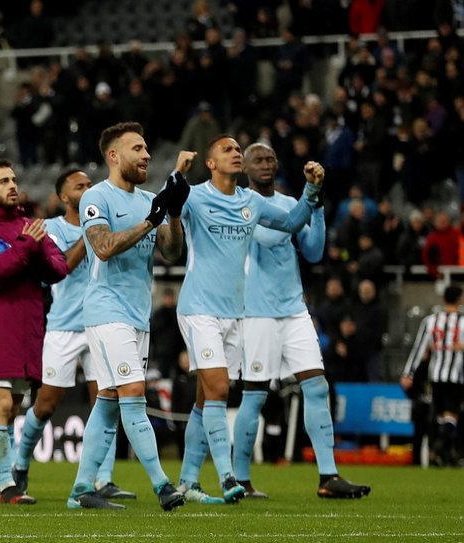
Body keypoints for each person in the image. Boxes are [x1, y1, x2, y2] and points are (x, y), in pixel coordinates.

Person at [175, 135, 322, 505]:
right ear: (210, 163)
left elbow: (290, 222)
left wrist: (311, 191)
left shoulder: (250, 201)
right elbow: (167, 211)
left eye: (238, 150)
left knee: (203, 399)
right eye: (227, 150)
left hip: (234, 313)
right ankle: (227, 477)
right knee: (221, 389)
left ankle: (188, 481)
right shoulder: (194, 195)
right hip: (198, 308)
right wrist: (175, 177)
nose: (236, 154)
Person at [232, 142, 371, 499]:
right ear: (245, 167)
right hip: (258, 313)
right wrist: (309, 199)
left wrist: (318, 209)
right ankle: (242, 479)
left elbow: (312, 250)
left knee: (317, 386)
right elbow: (270, 234)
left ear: (277, 165)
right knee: (256, 396)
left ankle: (328, 476)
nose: (264, 164)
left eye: (269, 159)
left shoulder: (290, 202)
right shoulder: (242, 203)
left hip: (294, 310)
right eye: (257, 159)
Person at [66, 122, 189, 511]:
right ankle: (163, 486)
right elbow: (102, 248)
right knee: (133, 396)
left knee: (107, 401)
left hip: (138, 315)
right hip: (106, 311)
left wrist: (171, 215)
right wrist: (151, 220)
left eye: (148, 148)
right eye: (138, 148)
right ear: (114, 155)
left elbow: (171, 253)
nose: (147, 155)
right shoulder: (95, 198)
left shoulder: (148, 199)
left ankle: (82, 489)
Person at [12, 168, 134, 502]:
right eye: (79, 186)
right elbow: (60, 267)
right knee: (46, 403)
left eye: (89, 184)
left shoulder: (106, 221)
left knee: (105, 403)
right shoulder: (50, 229)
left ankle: (101, 478)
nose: (87, 188)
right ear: (64, 197)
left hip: (102, 323)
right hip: (64, 326)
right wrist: (91, 232)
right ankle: (21, 462)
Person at [0, 159, 68, 505]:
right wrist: (25, 246)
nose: (12, 185)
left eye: (14, 179)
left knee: (14, 406)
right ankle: (8, 484)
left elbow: (58, 268)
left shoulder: (30, 227)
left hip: (27, 329)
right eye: (4, 180)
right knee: (1, 402)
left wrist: (32, 247)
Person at [403, 285, 464, 468]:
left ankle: (443, 455)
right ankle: (438, 448)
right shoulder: (463, 321)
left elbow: (418, 349)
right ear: (459, 298)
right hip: (456, 375)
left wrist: (408, 373)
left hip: (436, 375)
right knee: (451, 415)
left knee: (440, 416)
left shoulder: (431, 321)